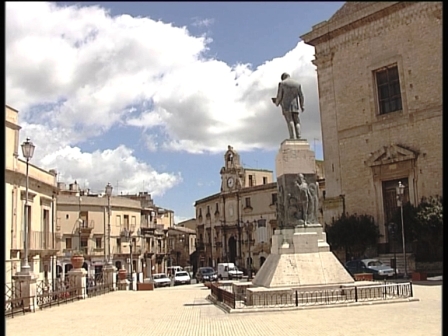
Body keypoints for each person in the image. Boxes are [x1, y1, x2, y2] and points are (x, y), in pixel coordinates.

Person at [272, 73, 305, 139]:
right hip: (295, 105)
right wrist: (302, 105)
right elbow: (301, 96)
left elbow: (279, 96)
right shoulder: (297, 84)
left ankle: (292, 137)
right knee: (297, 121)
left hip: (286, 105)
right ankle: (299, 136)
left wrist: (276, 102)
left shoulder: (282, 83)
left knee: (290, 120)